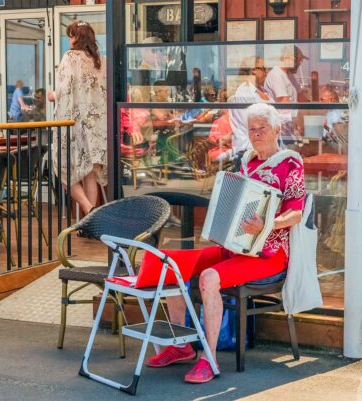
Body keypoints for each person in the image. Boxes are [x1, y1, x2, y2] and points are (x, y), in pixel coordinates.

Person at [142, 103, 306, 383]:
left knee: (208, 278)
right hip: (236, 247)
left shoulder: (290, 164)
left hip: (269, 254)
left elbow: (296, 212)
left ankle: (209, 357)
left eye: (262, 128)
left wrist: (268, 225)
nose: (255, 134)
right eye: (251, 129)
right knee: (170, 264)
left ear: (277, 129)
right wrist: (218, 228)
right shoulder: (247, 162)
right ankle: (180, 346)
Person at [53, 20, 107, 216]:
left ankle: (89, 210)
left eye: (71, 35)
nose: (69, 39)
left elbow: (64, 89)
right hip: (96, 126)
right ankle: (90, 223)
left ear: (77, 37)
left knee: (65, 173)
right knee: (89, 174)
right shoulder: (101, 60)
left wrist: (53, 96)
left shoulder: (70, 57)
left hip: (74, 125)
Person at [228, 56, 272, 158]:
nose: (266, 73)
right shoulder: (245, 92)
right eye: (263, 69)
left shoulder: (261, 90)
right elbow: (253, 123)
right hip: (250, 152)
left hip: (261, 150)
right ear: (254, 70)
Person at [264, 45, 309, 136]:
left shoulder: (289, 75)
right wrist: (292, 129)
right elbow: (284, 105)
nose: (300, 63)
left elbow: (300, 96)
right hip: (284, 128)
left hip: (294, 123)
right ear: (287, 57)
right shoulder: (276, 75)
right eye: (298, 60)